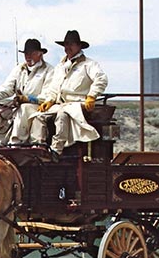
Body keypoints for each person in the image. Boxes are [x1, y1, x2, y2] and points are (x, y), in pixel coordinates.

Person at [29, 30, 108, 160]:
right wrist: (49, 100)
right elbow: (54, 87)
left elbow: (101, 79)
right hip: (61, 104)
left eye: (71, 44)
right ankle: (39, 147)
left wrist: (92, 96)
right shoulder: (60, 66)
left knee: (63, 114)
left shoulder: (89, 64)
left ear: (79, 46)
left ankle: (56, 150)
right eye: (66, 44)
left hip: (78, 104)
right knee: (38, 116)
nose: (68, 47)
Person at [0, 38, 53, 145]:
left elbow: (47, 95)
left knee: (24, 107)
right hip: (18, 105)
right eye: (26, 54)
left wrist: (27, 99)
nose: (28, 56)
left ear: (40, 54)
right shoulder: (19, 69)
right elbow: (8, 87)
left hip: (37, 107)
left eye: (32, 53)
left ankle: (15, 143)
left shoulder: (49, 70)